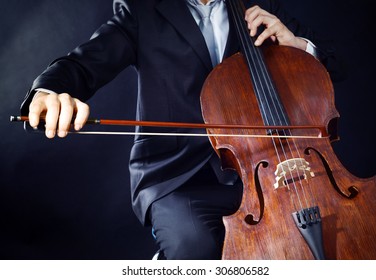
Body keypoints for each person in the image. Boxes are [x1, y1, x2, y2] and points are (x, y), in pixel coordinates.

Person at [20, 0, 344, 259]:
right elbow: (82, 63)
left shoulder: (258, 3)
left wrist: (298, 46)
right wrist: (48, 92)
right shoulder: (141, 9)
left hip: (267, 169)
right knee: (196, 250)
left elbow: (336, 65)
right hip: (178, 176)